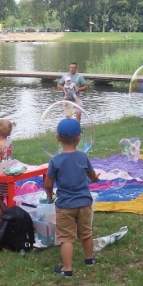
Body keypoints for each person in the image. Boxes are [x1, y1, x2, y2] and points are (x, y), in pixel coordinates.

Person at [43, 118, 99, 277]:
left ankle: (67, 269)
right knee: (86, 233)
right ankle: (89, 259)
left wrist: (49, 195)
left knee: (66, 238)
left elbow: (48, 184)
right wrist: (95, 179)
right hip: (84, 203)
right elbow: (92, 176)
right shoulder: (83, 157)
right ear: (79, 137)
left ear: (57, 138)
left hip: (65, 206)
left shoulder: (55, 161)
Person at [0, 119, 14, 203]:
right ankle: (9, 202)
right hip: (9, 166)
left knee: (1, 188)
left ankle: (0, 203)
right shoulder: (9, 141)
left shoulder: (0, 143)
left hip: (1, 167)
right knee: (8, 189)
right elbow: (9, 153)